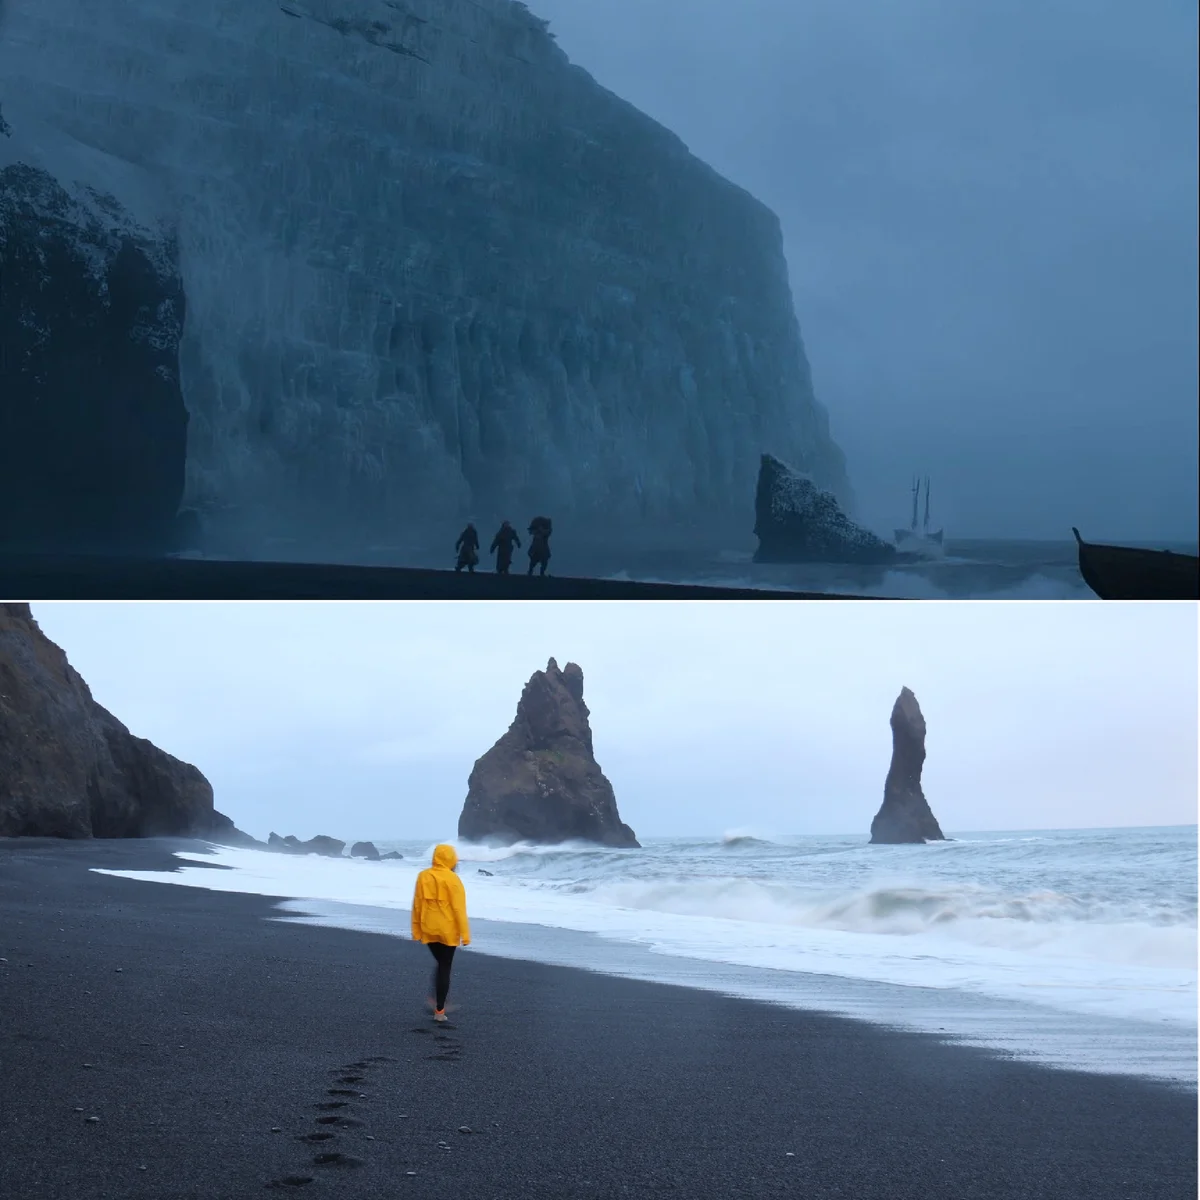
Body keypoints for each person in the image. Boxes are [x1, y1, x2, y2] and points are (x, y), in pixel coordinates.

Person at [411, 844, 471, 1022]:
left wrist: (416, 930)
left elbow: (417, 905)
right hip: (448, 931)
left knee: (440, 963)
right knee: (445, 966)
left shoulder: (423, 876)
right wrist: (465, 935)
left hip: (428, 928)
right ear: (452, 860)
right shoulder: (453, 880)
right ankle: (439, 1011)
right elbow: (459, 910)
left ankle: (435, 998)